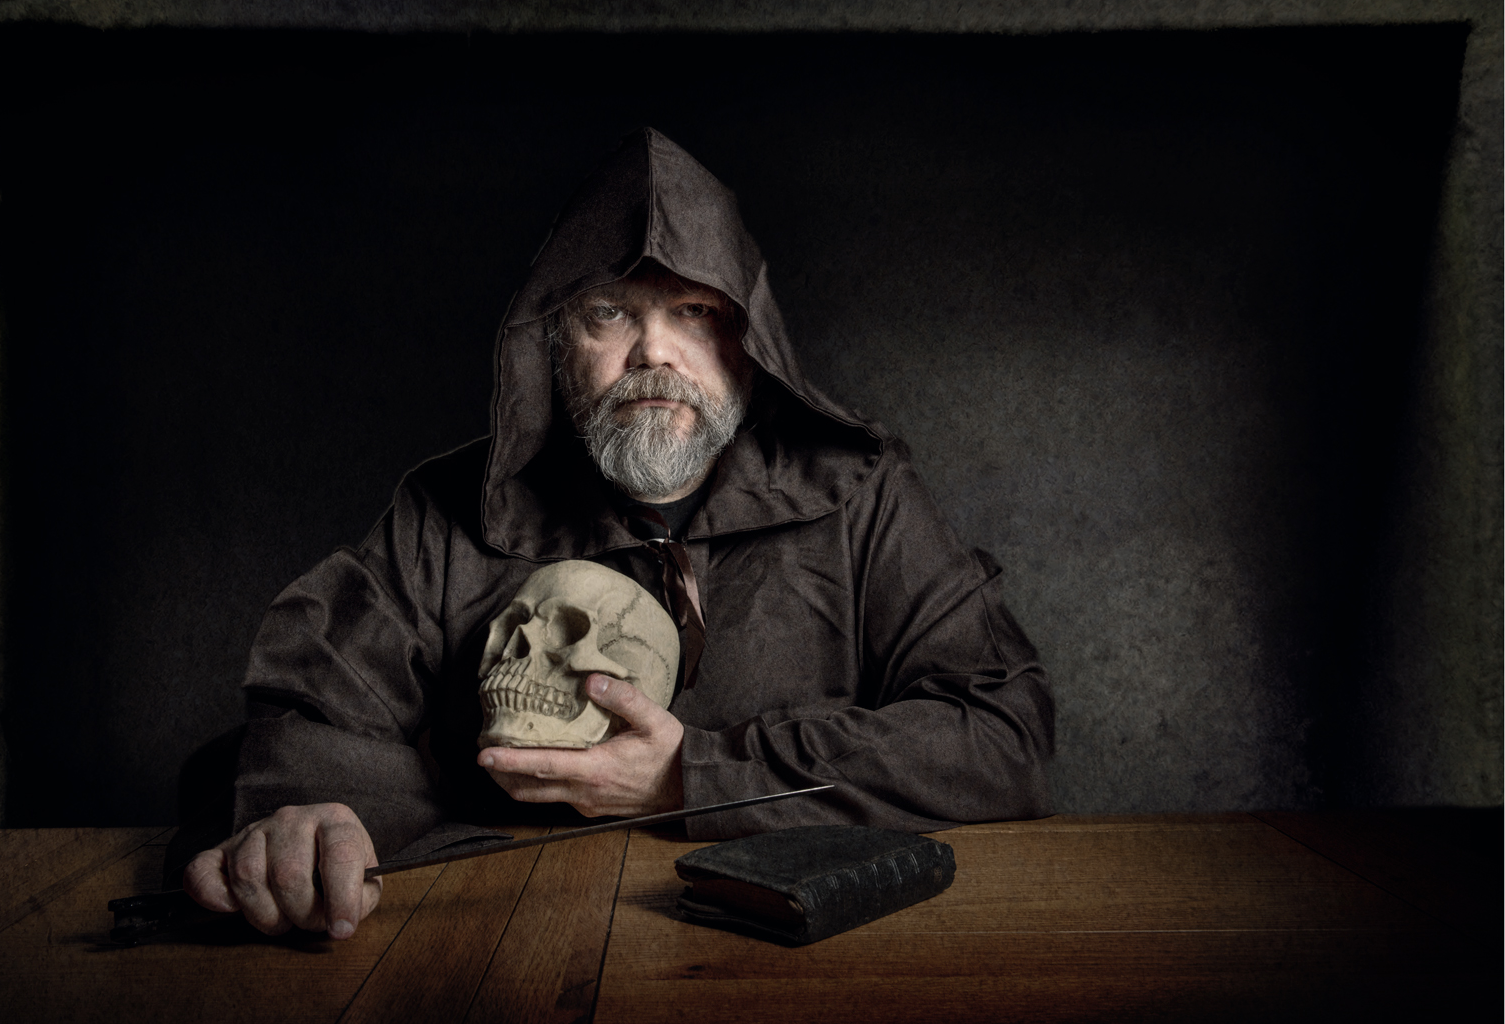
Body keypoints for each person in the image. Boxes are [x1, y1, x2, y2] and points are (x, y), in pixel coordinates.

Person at [179, 128, 1054, 941]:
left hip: (787, 968)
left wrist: (694, 778)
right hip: (506, 952)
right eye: (610, 314)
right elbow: (313, 721)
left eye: (693, 312)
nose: (653, 353)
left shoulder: (864, 498)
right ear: (556, 343)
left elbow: (1000, 737)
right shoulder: (446, 512)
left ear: (748, 339)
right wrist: (311, 812)